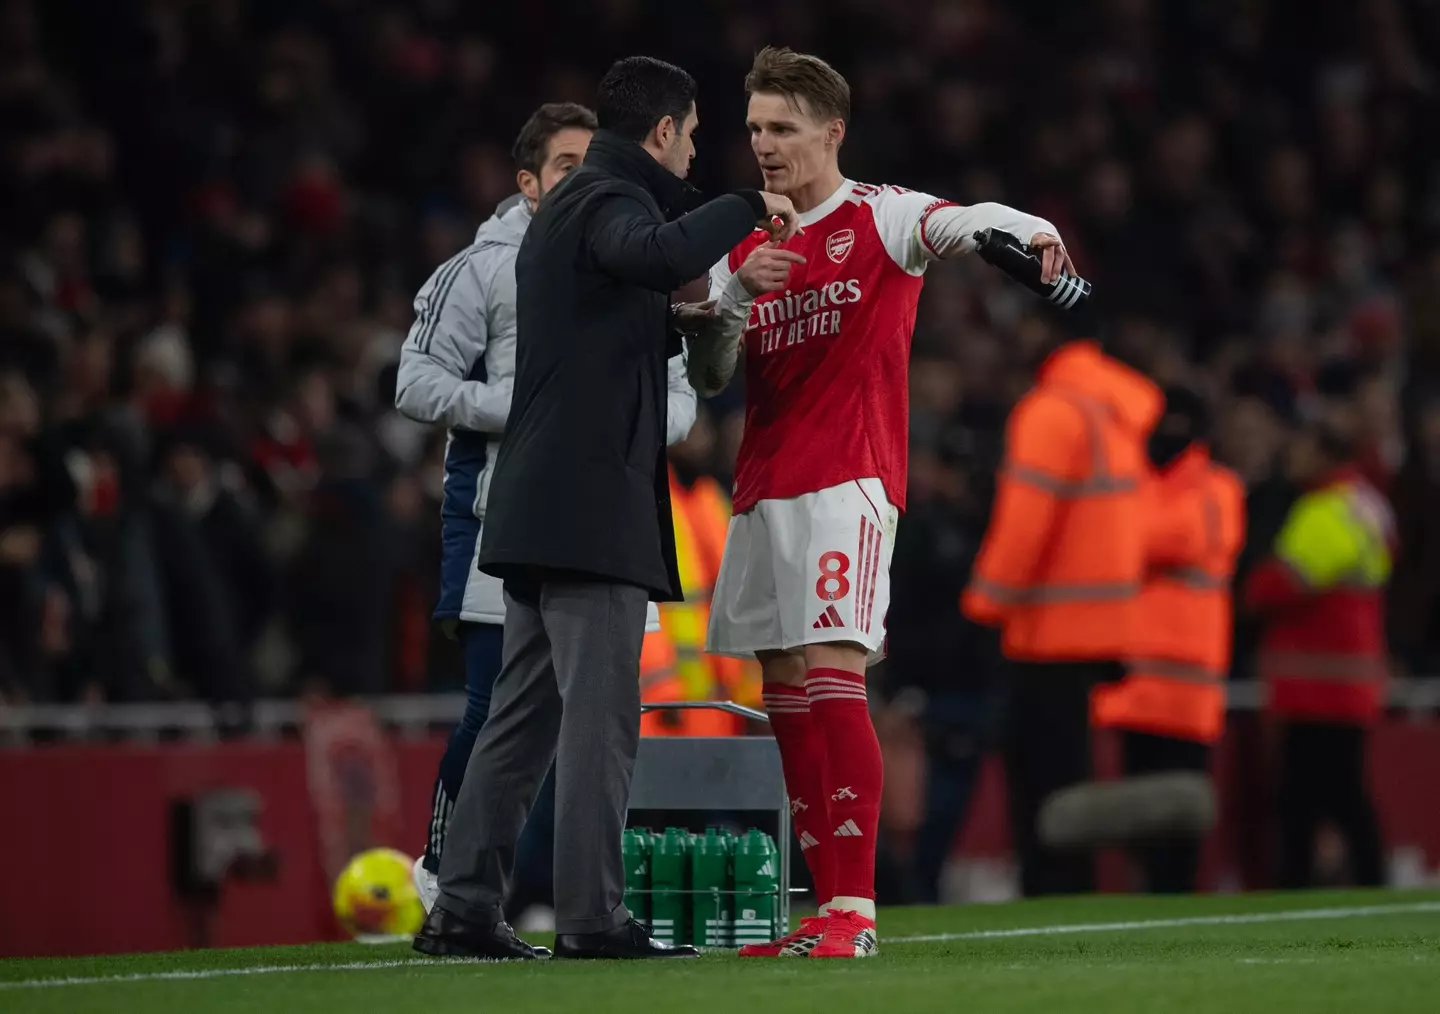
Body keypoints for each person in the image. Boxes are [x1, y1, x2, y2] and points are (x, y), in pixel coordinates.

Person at [412, 56, 799, 961]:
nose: (697, 150)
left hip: (541, 502)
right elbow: (654, 256)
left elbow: (609, 318)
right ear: (661, 131)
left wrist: (685, 323)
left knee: (520, 721)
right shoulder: (604, 201)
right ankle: (592, 918)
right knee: (599, 721)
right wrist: (748, 206)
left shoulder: (569, 211)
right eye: (696, 134)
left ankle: (465, 906)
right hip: (588, 508)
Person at [687, 47, 1067, 958]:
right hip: (761, 488)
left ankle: (854, 913)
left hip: (848, 482)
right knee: (782, 690)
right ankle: (819, 909)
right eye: (754, 130)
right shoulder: (745, 244)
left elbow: (966, 221)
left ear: (831, 131)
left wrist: (1036, 227)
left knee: (832, 671)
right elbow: (706, 374)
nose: (764, 146)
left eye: (781, 128)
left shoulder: (880, 216)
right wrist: (737, 294)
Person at [393, 103, 701, 916]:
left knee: (548, 718)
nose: (581, 179)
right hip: (505, 509)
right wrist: (526, 405)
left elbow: (679, 395)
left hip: (601, 500)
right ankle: (449, 877)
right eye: (564, 167)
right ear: (527, 182)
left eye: (587, 161)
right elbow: (414, 382)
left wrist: (621, 418)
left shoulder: (623, 256)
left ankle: (484, 900)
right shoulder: (488, 268)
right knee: (508, 709)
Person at [961, 314, 1163, 897]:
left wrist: (981, 607)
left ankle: (1052, 892)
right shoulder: (1115, 408)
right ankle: (1070, 889)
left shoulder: (1051, 410)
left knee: (1042, 787)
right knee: (1069, 777)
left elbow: (1025, 526)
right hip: (1102, 627)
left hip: (1046, 632)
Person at [1090, 386, 1246, 892]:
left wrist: (1117, 526)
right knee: (1139, 821)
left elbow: (1165, 538)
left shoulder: (1218, 488)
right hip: (1135, 688)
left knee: (1180, 826)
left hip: (1186, 694)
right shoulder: (1139, 479)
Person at [1244, 411, 1393, 888]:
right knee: (1342, 795)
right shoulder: (1365, 503)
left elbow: (1275, 586)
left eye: (1302, 449)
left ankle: (1305, 886)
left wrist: (1252, 581)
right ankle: (1367, 880)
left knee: (1309, 801)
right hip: (1344, 682)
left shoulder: (1325, 510)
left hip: (1317, 687)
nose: (1293, 457)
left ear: (1326, 454)